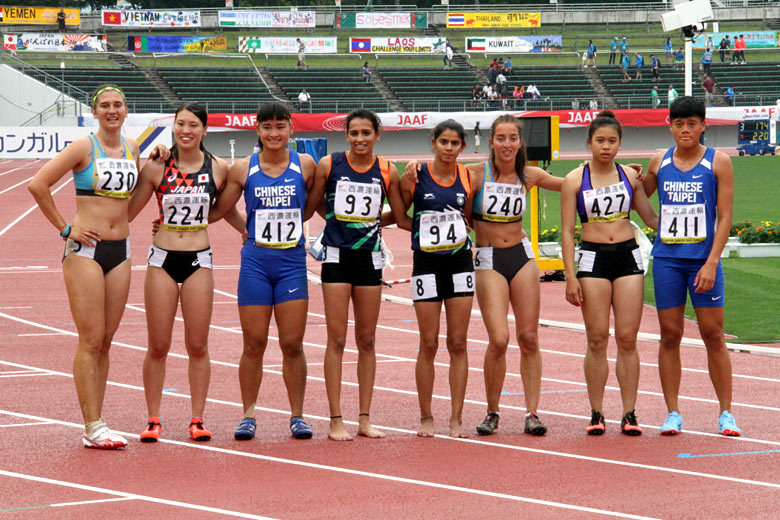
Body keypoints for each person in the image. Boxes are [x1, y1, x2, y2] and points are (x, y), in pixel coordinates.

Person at [28, 84, 141, 449]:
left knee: (106, 341)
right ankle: (91, 424)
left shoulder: (133, 148)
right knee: (90, 339)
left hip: (120, 250)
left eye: (118, 105)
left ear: (126, 111)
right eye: (105, 105)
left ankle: (98, 420)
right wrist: (66, 227)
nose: (112, 110)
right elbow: (37, 185)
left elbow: (131, 197)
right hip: (85, 251)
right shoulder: (83, 147)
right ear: (94, 112)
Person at [127, 103, 242, 443]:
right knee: (158, 345)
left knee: (197, 345)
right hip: (162, 259)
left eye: (193, 125)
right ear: (173, 127)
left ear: (205, 130)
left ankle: (197, 418)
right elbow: (130, 211)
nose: (186, 130)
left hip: (198, 260)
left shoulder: (219, 168)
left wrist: (252, 232)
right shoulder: (157, 166)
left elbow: (227, 210)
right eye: (180, 124)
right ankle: (152, 419)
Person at [208, 102, 319, 441]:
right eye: (267, 127)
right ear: (257, 131)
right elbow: (218, 212)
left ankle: (297, 415)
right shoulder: (243, 169)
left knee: (292, 344)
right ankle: (248, 414)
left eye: (280, 126)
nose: (274, 133)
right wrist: (246, 230)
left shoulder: (305, 165)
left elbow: (314, 204)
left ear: (291, 129)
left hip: (291, 265)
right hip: (256, 263)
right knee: (253, 343)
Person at [305, 110, 408, 441]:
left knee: (367, 340)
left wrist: (374, 222)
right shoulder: (330, 165)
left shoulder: (387, 169)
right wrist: (336, 218)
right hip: (336, 257)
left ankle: (364, 418)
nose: (360, 139)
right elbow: (314, 204)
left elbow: (400, 215)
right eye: (354, 133)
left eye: (366, 133)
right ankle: (336, 419)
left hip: (370, 259)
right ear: (346, 135)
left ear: (377, 134)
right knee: (336, 339)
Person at [641, 96, 741, 437]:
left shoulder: (719, 162)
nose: (685, 130)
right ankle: (673, 412)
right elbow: (639, 195)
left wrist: (712, 261)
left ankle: (726, 413)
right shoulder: (659, 161)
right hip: (668, 260)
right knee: (670, 336)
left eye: (692, 124)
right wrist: (654, 220)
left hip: (703, 261)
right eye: (679, 124)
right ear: (669, 125)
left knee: (713, 335)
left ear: (703, 126)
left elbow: (725, 216)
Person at [561, 110, 658, 436]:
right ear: (589, 142)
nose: (606, 146)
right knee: (597, 338)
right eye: (600, 140)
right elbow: (565, 231)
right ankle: (596, 412)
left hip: (628, 257)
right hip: (593, 260)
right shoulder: (574, 180)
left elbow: (650, 218)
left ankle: (629, 413)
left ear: (619, 144)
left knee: (628, 338)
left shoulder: (629, 178)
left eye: (612, 141)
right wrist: (570, 276)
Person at [469, 115, 564, 437]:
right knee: (499, 339)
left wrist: (621, 174)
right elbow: (439, 184)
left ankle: (532, 413)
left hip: (521, 257)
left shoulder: (530, 175)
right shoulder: (475, 176)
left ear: (520, 143)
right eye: (500, 138)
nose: (507, 144)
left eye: (512, 138)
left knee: (529, 338)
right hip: (488, 257)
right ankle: (492, 411)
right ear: (491, 141)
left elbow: (575, 185)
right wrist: (414, 170)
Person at [400, 120, 474, 438]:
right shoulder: (415, 176)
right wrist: (420, 232)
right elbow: (402, 215)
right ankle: (426, 416)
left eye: (454, 143)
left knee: (458, 343)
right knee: (428, 343)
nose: (448, 148)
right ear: (433, 142)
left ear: (462, 147)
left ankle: (456, 418)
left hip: (460, 264)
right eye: (443, 141)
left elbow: (469, 218)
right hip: (426, 264)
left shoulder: (468, 176)